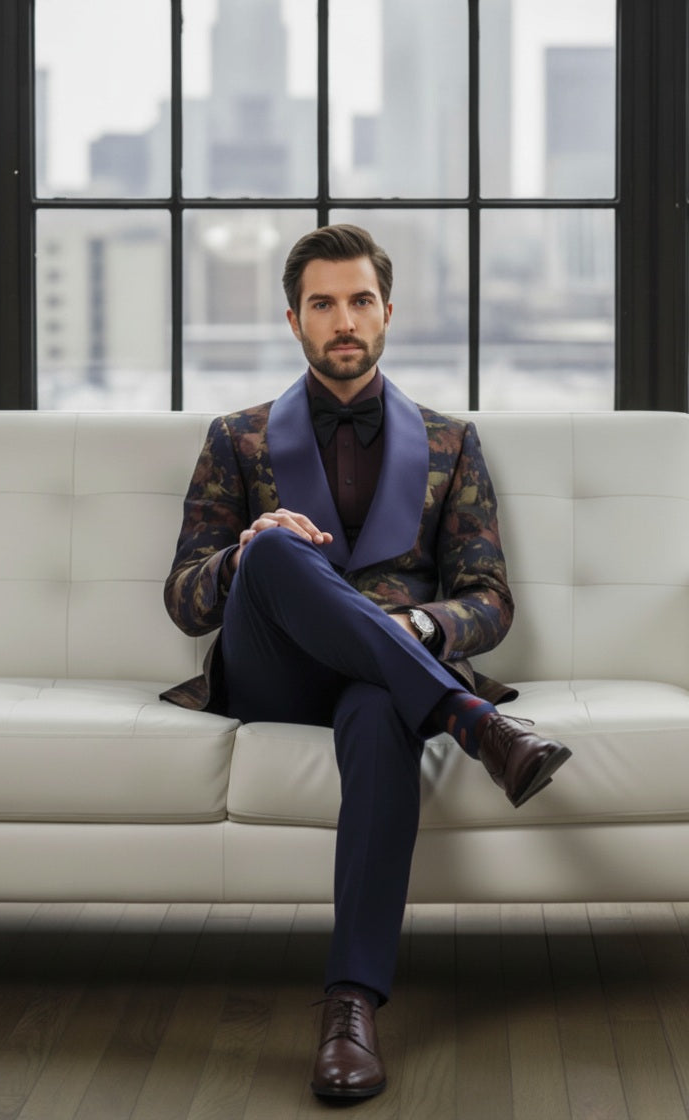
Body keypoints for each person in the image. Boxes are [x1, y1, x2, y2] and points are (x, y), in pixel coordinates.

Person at [161, 224, 571, 1101]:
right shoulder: (237, 439)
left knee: (384, 708)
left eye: (359, 301)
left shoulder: (452, 442)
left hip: (385, 682)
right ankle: (474, 723)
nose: (343, 320)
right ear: (293, 319)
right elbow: (188, 597)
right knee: (272, 553)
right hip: (275, 675)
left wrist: (420, 626)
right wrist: (242, 554)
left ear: (388, 313)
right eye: (323, 304)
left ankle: (351, 1005)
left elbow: (489, 599)